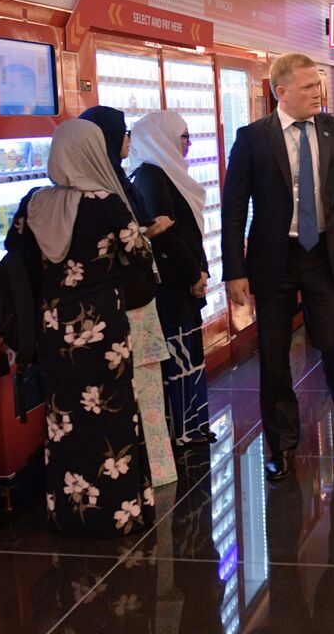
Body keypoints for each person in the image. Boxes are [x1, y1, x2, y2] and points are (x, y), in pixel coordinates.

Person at [224, 53, 334, 482]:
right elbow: (234, 207)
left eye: (320, 85)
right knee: (274, 358)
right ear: (282, 92)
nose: (320, 92)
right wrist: (234, 270)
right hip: (273, 259)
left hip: (325, 255)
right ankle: (283, 443)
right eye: (310, 86)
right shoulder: (253, 138)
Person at [12, 118, 156, 537]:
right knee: (113, 416)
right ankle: (120, 511)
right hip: (103, 328)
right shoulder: (107, 203)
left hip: (54, 329)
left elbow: (16, 252)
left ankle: (67, 511)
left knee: (63, 419)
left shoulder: (33, 202)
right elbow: (138, 257)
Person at [80, 106, 176, 486]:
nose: (128, 141)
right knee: (145, 390)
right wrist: (148, 233)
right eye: (122, 134)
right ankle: (153, 469)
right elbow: (130, 245)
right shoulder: (111, 192)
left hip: (94, 317)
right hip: (130, 305)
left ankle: (128, 471)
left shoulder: (101, 184)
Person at [127, 110, 214, 444]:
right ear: (161, 138)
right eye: (183, 137)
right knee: (179, 354)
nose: (188, 144)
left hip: (185, 278)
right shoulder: (152, 176)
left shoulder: (167, 172)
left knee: (188, 352)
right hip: (173, 283)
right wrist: (194, 273)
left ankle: (192, 426)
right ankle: (183, 430)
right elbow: (166, 233)